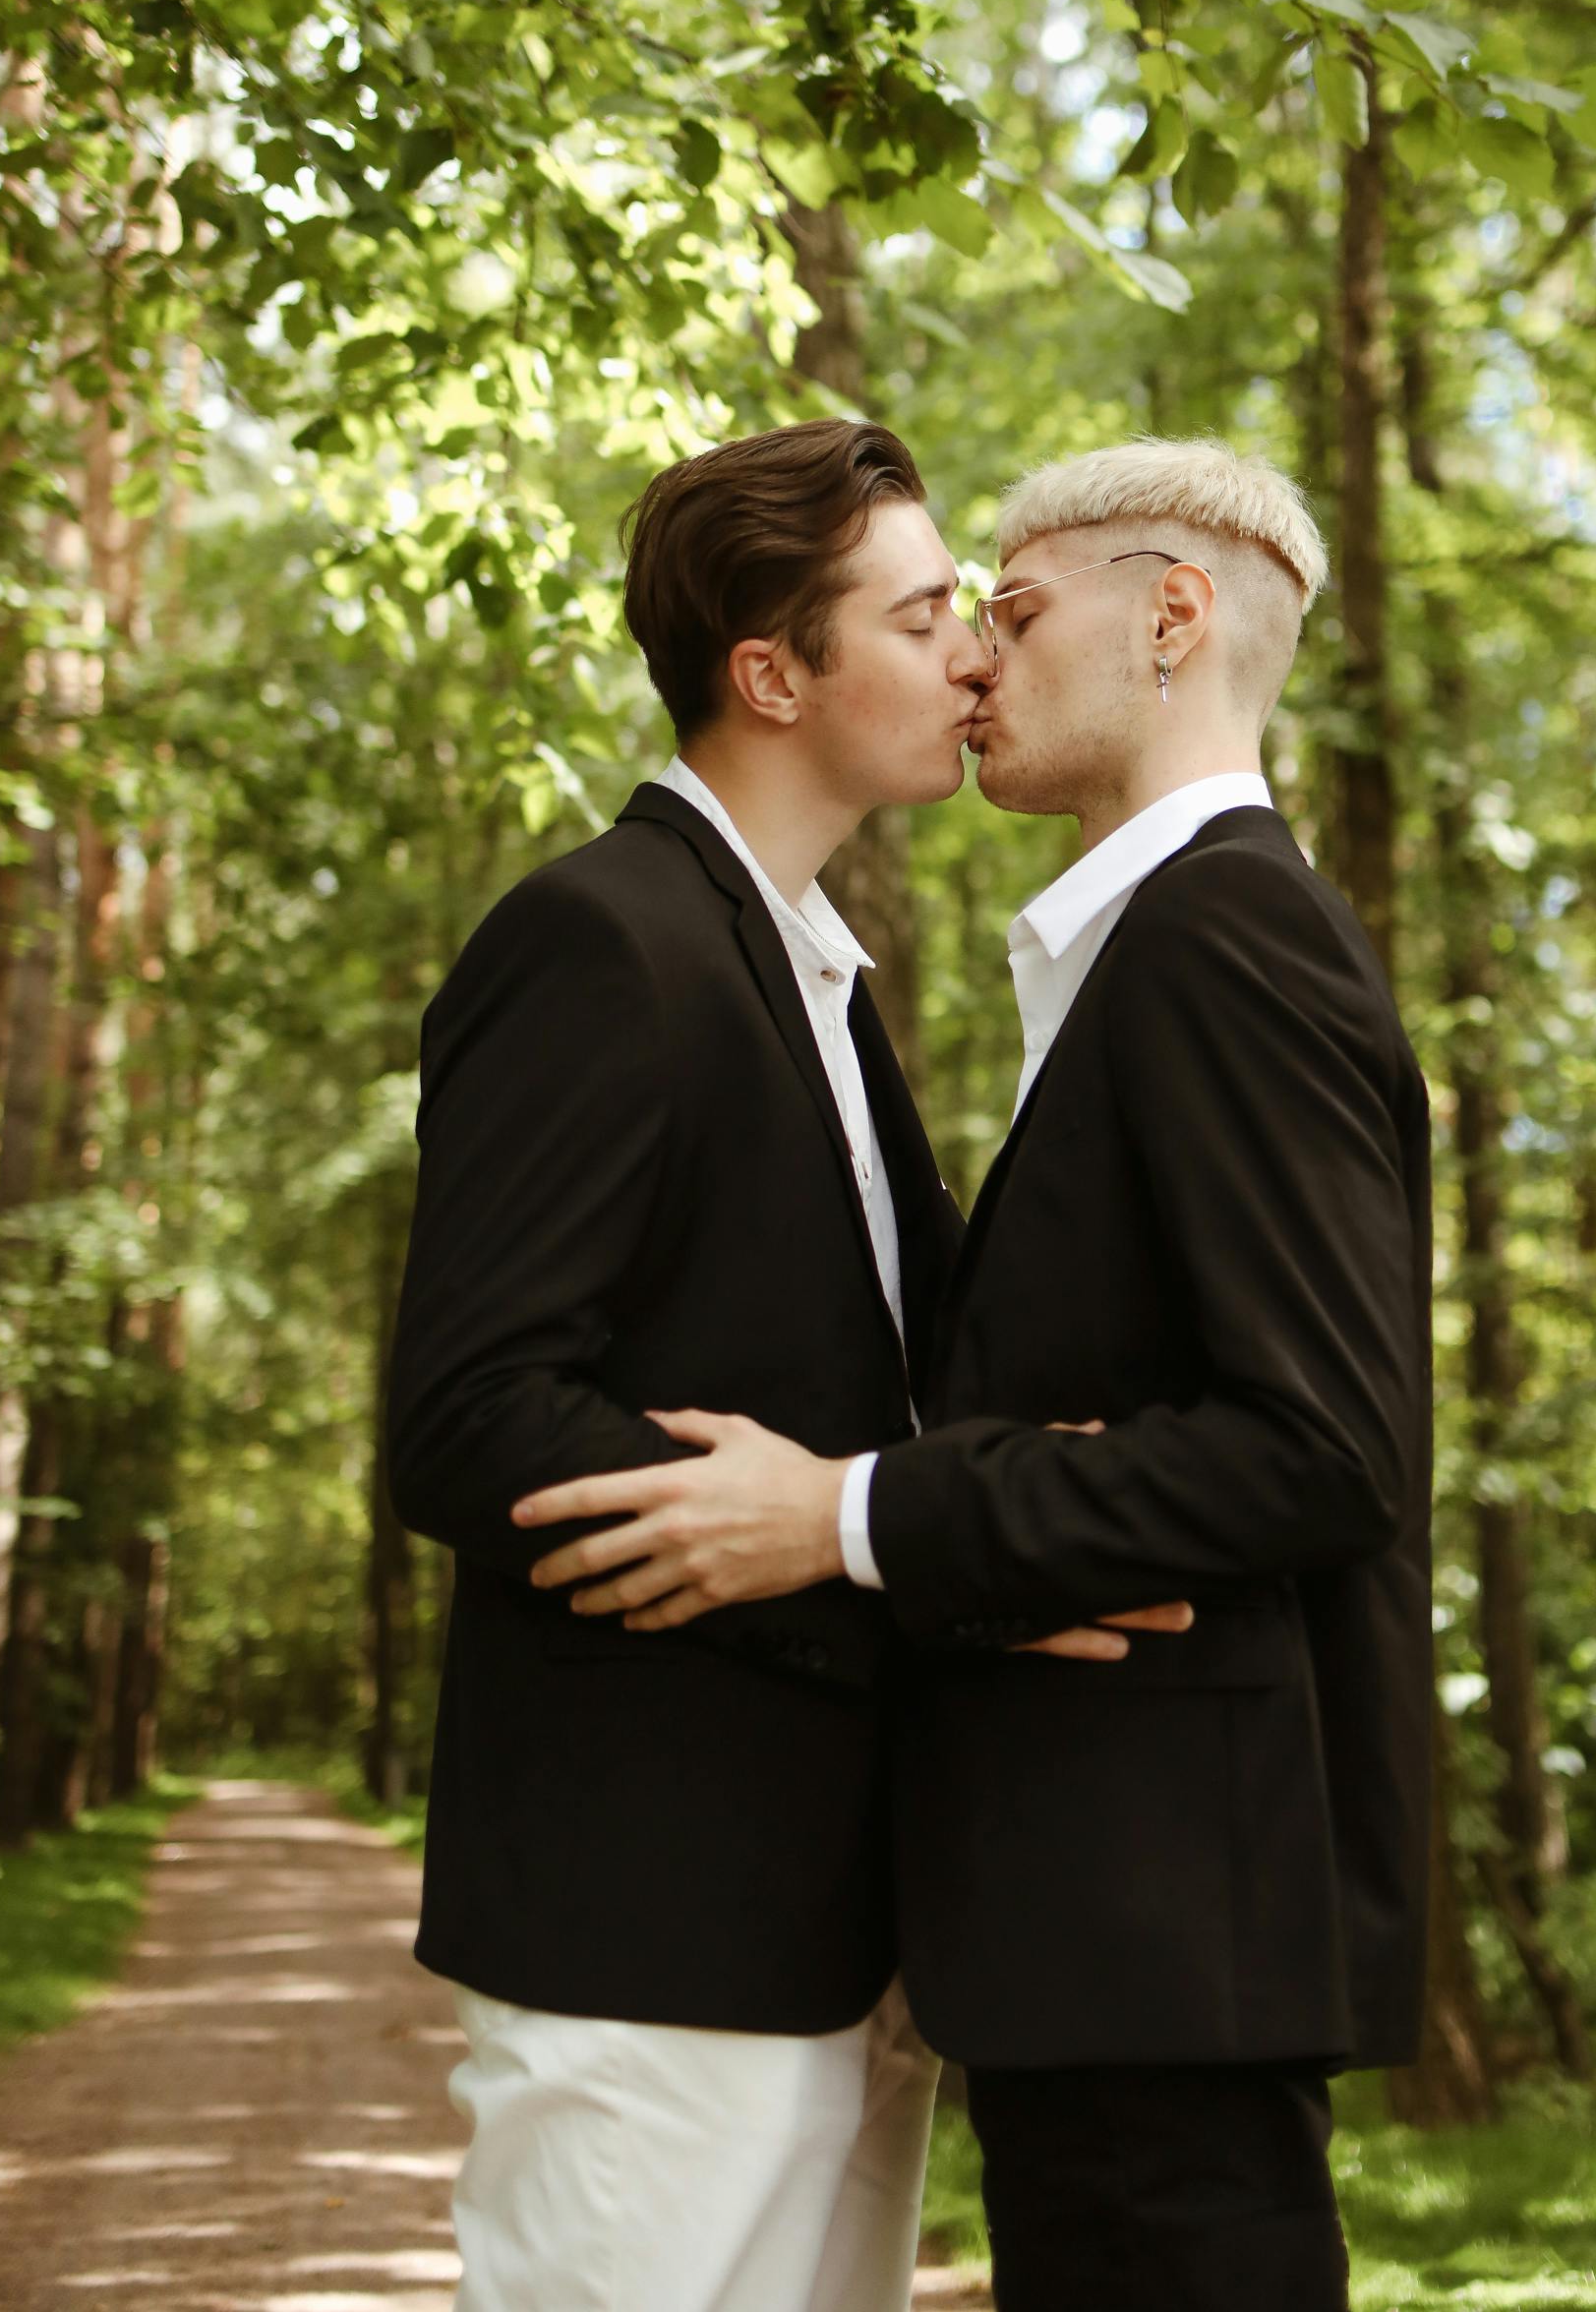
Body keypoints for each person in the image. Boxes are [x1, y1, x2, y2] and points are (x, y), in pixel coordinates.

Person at [516, 435, 1434, 2312]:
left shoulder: (1226, 940)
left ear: (1173, 615)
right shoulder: (1145, 953)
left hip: (1169, 1927)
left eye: (1011, 610)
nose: (976, 663)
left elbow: (1329, 1446)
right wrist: (1004, 1536)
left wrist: (857, 1515)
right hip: (1105, 1930)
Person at [385, 419, 975, 2312]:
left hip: (851, 1929)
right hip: (649, 1927)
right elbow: (470, 1414)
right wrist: (816, 1546)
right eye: (926, 613)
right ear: (771, 673)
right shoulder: (597, 940)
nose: (974, 650)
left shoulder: (820, 976)